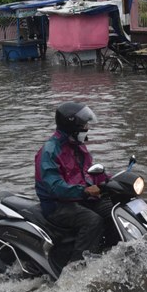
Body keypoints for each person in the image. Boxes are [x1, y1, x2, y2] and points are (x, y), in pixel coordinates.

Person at [35, 102, 112, 263]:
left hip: (79, 199)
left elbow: (90, 172)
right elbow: (55, 186)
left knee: (111, 209)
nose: (86, 128)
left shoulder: (78, 146)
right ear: (72, 125)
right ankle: (77, 267)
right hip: (57, 205)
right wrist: (84, 191)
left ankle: (111, 251)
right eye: (83, 124)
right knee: (92, 221)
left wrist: (110, 182)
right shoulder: (50, 150)